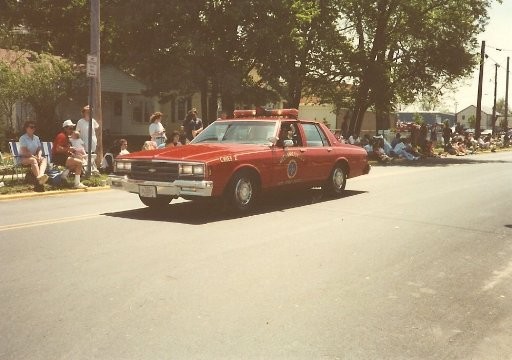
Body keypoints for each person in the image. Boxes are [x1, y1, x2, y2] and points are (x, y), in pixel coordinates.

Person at [52, 120, 87, 189]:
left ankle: (64, 175)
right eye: (70, 128)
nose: (72, 130)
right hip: (58, 157)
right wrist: (69, 149)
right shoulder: (62, 136)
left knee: (78, 160)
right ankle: (77, 183)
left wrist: (71, 153)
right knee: (79, 163)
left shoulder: (66, 137)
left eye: (72, 128)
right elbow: (58, 149)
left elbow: (65, 148)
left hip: (62, 156)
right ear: (65, 128)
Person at [19, 120, 48, 191]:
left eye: (34, 127)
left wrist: (39, 155)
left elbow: (39, 149)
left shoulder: (36, 138)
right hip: (23, 158)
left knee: (43, 159)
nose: (33, 129)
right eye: (31, 127)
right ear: (26, 128)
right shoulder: (23, 138)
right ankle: (39, 179)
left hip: (34, 156)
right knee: (33, 160)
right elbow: (24, 151)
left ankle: (40, 176)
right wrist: (35, 157)